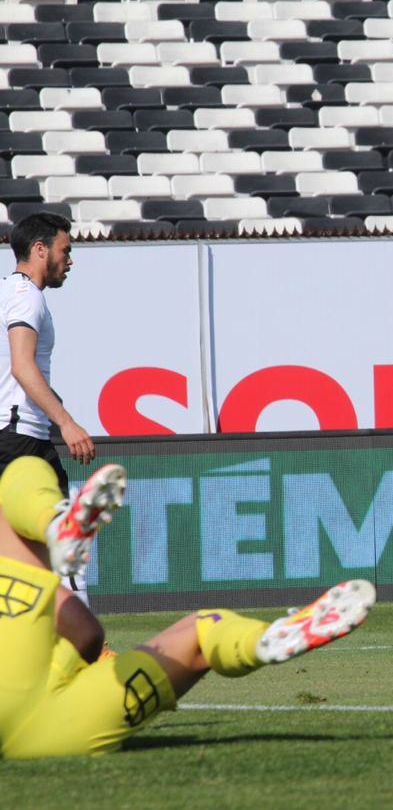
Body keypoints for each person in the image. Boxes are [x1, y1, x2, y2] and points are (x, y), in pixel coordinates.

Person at [0, 455, 374, 758]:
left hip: (34, 723)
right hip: (61, 723)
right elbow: (88, 632)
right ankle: (259, 640)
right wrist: (60, 665)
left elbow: (89, 636)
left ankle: (57, 527)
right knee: (202, 633)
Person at [0, 213, 96, 611]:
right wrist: (67, 422)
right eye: (65, 250)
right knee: (65, 541)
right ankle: (89, 649)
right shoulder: (26, 297)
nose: (70, 260)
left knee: (19, 554)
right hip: (23, 440)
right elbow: (22, 367)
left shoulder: (8, 292)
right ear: (40, 250)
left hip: (11, 435)